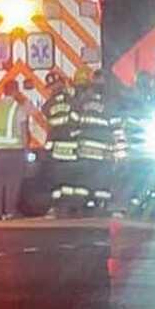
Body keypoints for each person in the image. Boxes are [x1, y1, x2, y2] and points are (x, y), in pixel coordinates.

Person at [0, 80, 29, 219]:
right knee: (13, 182)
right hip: (14, 151)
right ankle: (10, 211)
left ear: (4, 91)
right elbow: (23, 130)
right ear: (15, 91)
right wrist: (26, 150)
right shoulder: (18, 107)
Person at [74, 68, 115, 213]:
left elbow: (76, 120)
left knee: (86, 177)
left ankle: (85, 204)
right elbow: (114, 123)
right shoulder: (108, 100)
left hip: (84, 147)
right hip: (101, 148)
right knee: (102, 178)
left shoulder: (84, 100)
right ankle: (100, 204)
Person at [41, 72, 82, 215]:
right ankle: (71, 206)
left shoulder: (49, 104)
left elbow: (47, 117)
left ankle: (58, 206)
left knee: (57, 179)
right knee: (71, 178)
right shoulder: (72, 100)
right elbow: (77, 118)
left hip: (56, 146)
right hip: (70, 145)